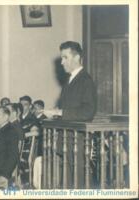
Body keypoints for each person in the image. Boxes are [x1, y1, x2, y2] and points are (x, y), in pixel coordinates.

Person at [44, 41, 97, 188]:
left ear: (76, 57)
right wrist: (54, 112)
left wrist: (60, 112)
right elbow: (67, 107)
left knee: (79, 182)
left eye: (65, 57)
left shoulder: (85, 80)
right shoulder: (69, 80)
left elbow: (88, 111)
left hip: (78, 140)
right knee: (68, 182)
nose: (61, 62)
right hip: (68, 139)